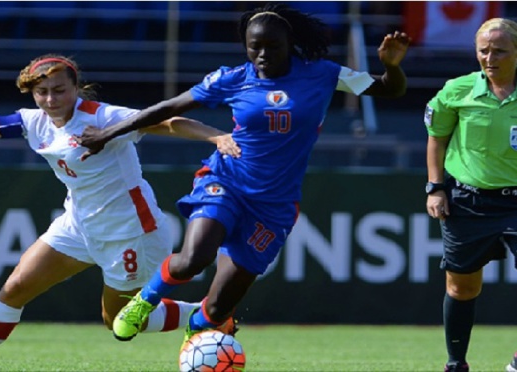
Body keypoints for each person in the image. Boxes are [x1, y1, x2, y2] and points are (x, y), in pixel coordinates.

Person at [76, 2, 411, 347]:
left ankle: (199, 333)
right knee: (194, 258)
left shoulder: (324, 74)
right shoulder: (231, 78)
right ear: (245, 45)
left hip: (273, 204)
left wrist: (391, 66)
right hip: (226, 180)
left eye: (272, 46)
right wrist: (107, 133)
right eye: (255, 47)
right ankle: (144, 301)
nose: (263, 54)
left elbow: (390, 88)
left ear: (290, 42)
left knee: (220, 306)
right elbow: (167, 108)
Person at [0, 54, 241, 372]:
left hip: (130, 233)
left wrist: (215, 136)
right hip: (77, 225)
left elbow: (167, 123)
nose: (50, 98)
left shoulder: (103, 117)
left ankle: (207, 315)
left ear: (76, 87)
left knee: (118, 322)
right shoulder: (34, 122)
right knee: (13, 289)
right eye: (41, 92)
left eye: (59, 90)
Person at [423, 18, 517, 372]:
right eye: (483, 50)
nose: (490, 58)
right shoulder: (457, 90)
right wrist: (435, 187)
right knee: (462, 287)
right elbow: (437, 137)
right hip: (469, 200)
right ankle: (456, 363)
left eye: (500, 51)